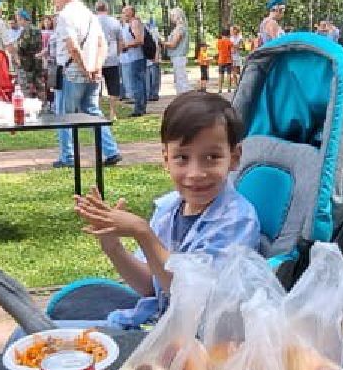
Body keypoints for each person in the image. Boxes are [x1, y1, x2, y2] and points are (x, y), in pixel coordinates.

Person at [74, 90, 264, 329]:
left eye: (212, 157)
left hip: (201, 344)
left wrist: (143, 233)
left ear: (234, 157)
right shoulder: (168, 210)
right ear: (166, 158)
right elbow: (150, 286)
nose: (196, 173)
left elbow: (192, 296)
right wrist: (113, 246)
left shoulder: (237, 221)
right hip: (158, 325)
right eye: (182, 158)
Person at [53, 0, 121, 168]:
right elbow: (102, 44)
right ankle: (111, 150)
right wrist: (97, 67)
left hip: (72, 72)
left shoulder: (65, 16)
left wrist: (85, 69)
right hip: (92, 71)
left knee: (65, 115)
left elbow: (73, 47)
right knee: (93, 112)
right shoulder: (90, 15)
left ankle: (67, 156)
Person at [117, 4, 150, 117]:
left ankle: (139, 108)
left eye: (125, 12)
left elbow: (139, 40)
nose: (123, 14)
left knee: (137, 83)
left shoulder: (134, 23)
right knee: (138, 82)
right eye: (122, 12)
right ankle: (140, 106)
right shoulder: (128, 24)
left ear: (130, 12)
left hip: (136, 58)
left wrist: (125, 45)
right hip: (132, 58)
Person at [94, 1, 126, 109]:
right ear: (107, 9)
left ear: (96, 9)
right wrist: (117, 53)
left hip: (96, 60)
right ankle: (113, 112)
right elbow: (120, 41)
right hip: (112, 58)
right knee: (113, 87)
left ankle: (97, 110)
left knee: (96, 87)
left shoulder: (92, 21)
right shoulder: (114, 22)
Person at [164, 6, 191, 95]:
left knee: (181, 79)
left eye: (172, 16)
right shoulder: (181, 28)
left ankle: (185, 97)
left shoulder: (180, 28)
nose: (171, 18)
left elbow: (173, 44)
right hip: (178, 56)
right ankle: (183, 97)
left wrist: (161, 42)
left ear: (177, 16)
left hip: (179, 56)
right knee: (180, 78)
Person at [216, 27, 237, 92]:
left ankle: (220, 89)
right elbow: (233, 51)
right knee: (228, 74)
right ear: (228, 35)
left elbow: (218, 50)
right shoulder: (229, 42)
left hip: (221, 60)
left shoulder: (218, 42)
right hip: (228, 60)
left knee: (220, 74)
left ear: (222, 35)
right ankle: (229, 88)